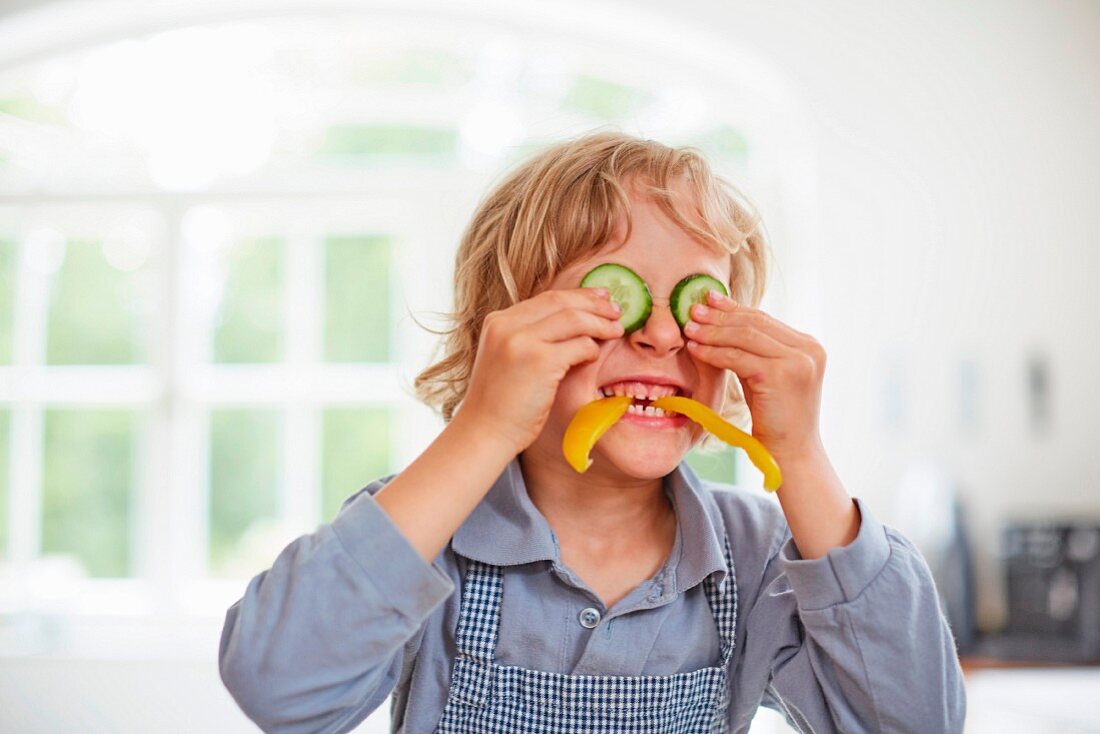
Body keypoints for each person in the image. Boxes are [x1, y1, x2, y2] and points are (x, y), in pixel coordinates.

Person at [219, 131, 967, 733]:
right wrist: (481, 429)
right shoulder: (428, 527)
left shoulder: (760, 558)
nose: (664, 336)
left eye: (701, 303)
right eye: (616, 298)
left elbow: (916, 722)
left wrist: (801, 457)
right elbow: (279, 688)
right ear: (504, 335)